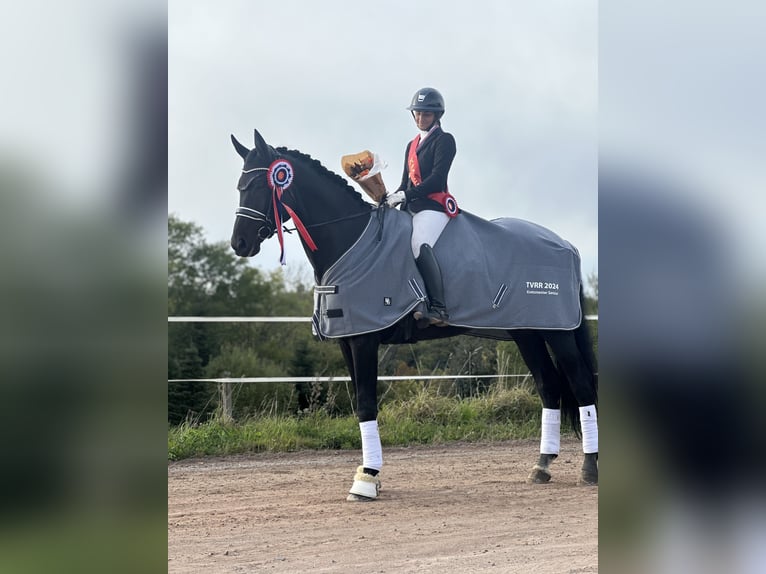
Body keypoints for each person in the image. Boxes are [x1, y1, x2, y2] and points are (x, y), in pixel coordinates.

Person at [386, 87, 458, 326]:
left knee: (419, 243)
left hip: (433, 206)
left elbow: (436, 179)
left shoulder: (445, 140)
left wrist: (405, 195)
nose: (420, 118)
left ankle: (439, 308)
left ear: (436, 116)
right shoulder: (412, 144)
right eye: (417, 113)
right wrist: (389, 198)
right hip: (411, 205)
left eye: (425, 114)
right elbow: (405, 182)